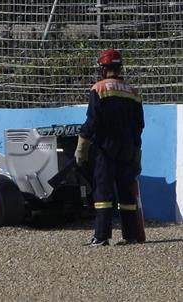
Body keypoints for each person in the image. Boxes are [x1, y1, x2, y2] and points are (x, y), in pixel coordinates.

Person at [74, 48, 144, 247]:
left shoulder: (99, 89)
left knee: (103, 191)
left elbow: (93, 121)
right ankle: (130, 235)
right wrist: (136, 153)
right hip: (128, 148)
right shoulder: (133, 92)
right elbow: (139, 126)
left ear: (103, 68)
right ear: (120, 67)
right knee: (126, 192)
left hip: (106, 147)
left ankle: (101, 236)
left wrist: (82, 147)